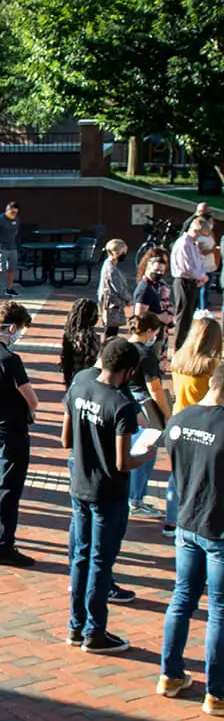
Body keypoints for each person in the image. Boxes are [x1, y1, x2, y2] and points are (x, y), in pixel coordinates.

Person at [61, 337, 156, 655]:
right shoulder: (123, 404)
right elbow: (123, 462)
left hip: (79, 485)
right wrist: (147, 451)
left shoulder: (80, 383)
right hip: (108, 493)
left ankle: (76, 626)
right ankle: (95, 631)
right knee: (101, 562)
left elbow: (65, 439)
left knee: (80, 557)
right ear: (129, 371)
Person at [157, 362, 224, 716]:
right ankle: (216, 693)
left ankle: (169, 674)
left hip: (186, 522)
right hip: (218, 528)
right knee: (220, 610)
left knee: (182, 599)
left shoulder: (181, 419)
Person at [0, 301, 39, 567]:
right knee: (8, 489)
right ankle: (3, 545)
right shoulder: (10, 360)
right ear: (12, 327)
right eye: (20, 330)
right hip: (10, 430)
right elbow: (32, 399)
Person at [163, 316, 223, 535]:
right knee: (203, 475)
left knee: (177, 473)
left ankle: (171, 520)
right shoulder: (212, 366)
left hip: (180, 419)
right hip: (206, 424)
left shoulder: (179, 359)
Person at [125, 313, 170, 518]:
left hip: (124, 401)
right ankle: (135, 498)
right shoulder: (146, 354)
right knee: (145, 451)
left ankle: (130, 495)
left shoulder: (122, 347)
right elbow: (155, 389)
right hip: (144, 405)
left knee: (128, 448)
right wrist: (166, 413)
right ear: (149, 331)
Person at [172, 217, 212, 351]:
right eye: (201, 234)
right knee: (183, 318)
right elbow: (188, 268)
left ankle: (185, 347)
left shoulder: (193, 244)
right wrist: (202, 276)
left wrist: (202, 277)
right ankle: (179, 349)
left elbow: (199, 263)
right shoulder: (184, 243)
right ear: (195, 231)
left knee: (190, 317)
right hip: (184, 281)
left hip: (193, 282)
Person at [60, 298, 102, 388]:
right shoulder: (86, 336)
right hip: (86, 379)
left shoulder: (70, 333)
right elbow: (92, 359)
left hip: (74, 378)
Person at [98, 239, 132, 341]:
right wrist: (129, 299)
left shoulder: (107, 264)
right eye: (123, 252)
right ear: (116, 252)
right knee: (111, 331)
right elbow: (119, 289)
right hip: (112, 305)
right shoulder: (112, 270)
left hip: (108, 303)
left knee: (110, 330)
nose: (124, 255)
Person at [0, 201, 21, 297]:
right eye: (12, 212)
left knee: (11, 268)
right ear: (7, 211)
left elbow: (15, 231)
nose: (14, 214)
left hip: (12, 247)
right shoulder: (0, 220)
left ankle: (9, 288)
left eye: (16, 212)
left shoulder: (16, 219)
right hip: (1, 248)